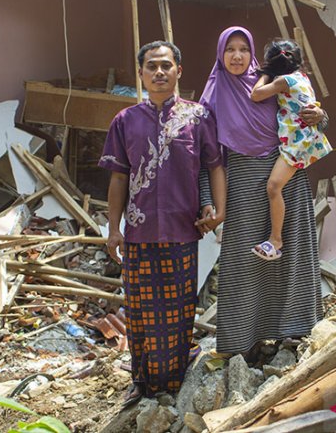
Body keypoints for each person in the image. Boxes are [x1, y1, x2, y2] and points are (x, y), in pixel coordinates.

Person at [100, 40, 226, 407]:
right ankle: (142, 382)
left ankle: (173, 383)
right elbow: (118, 178)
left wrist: (220, 209)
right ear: (140, 72)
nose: (159, 72)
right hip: (139, 234)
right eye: (151, 66)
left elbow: (215, 165)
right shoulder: (124, 122)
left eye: (166, 66)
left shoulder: (198, 117)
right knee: (140, 311)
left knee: (179, 310)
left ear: (179, 71)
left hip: (183, 231)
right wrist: (113, 228)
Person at [197, 26, 325, 356]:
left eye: (243, 49)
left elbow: (305, 109)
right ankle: (242, 342)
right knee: (243, 260)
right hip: (240, 181)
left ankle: (295, 332)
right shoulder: (213, 96)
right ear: (220, 54)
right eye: (230, 50)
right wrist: (209, 200)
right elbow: (206, 158)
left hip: (286, 178)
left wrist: (321, 116)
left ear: (252, 53)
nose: (237, 56)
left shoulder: (270, 81)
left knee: (291, 254)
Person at [249, 39, 332, 261]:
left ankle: (276, 240)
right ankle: (275, 239)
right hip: (306, 140)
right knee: (276, 187)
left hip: (298, 143)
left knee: (273, 187)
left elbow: (255, 95)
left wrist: (266, 73)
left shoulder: (284, 81)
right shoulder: (303, 78)